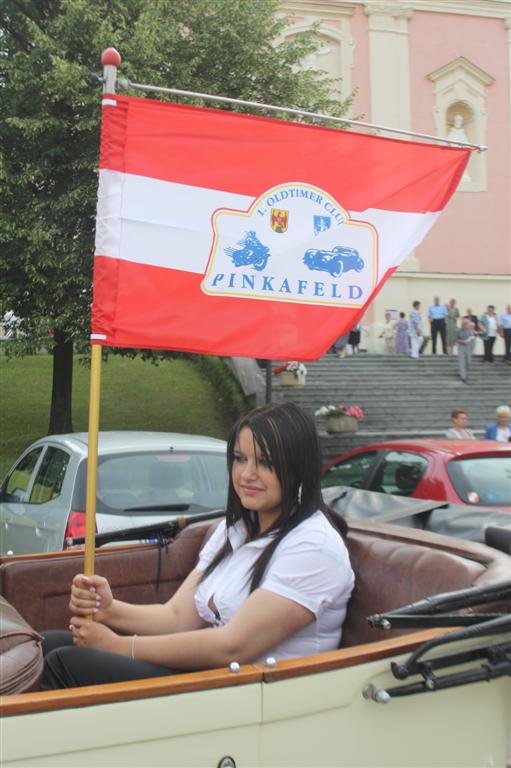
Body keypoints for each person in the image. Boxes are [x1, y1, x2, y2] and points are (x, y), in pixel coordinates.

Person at [41, 403, 355, 689]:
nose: (246, 474)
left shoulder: (313, 546)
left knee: (66, 663)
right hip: (214, 677)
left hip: (255, 692)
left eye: (265, 462)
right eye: (240, 459)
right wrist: (108, 610)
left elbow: (232, 646)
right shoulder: (237, 529)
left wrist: (119, 646)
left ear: (298, 467)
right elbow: (177, 616)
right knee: (48, 644)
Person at [455, 317, 475, 383]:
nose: (465, 324)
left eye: (466, 323)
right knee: (462, 361)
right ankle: (463, 377)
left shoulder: (470, 331)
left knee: (468, 362)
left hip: (468, 347)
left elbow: (472, 339)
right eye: (463, 323)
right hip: (461, 347)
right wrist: (462, 341)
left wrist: (472, 347)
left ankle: (465, 374)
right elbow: (456, 339)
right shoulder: (458, 330)